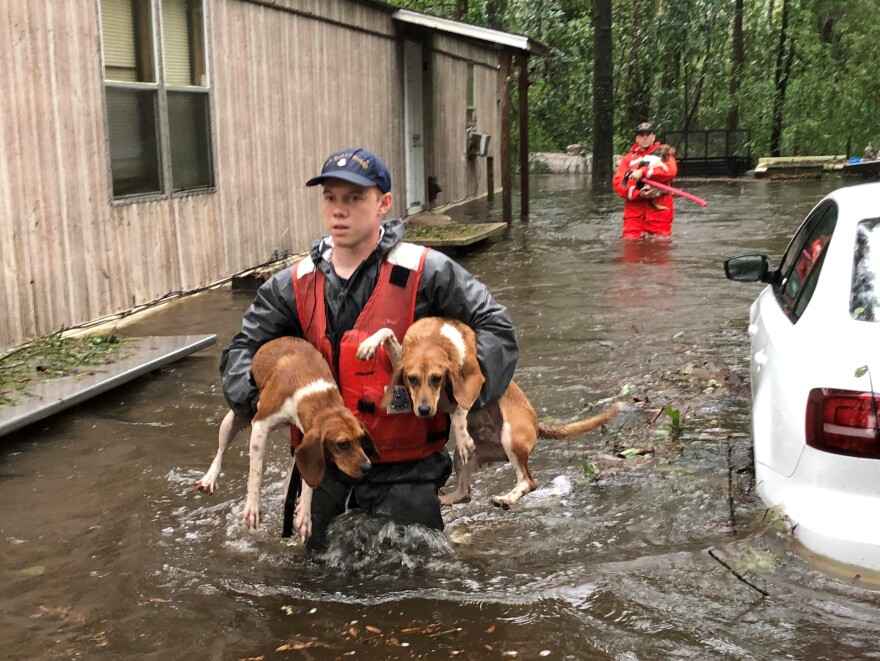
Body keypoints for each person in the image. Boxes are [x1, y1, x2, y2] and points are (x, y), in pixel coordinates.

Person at [219, 148, 518, 552]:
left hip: (407, 472)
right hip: (322, 467)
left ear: (384, 203)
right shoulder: (292, 284)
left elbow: (496, 326)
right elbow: (242, 349)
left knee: (416, 594)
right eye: (330, 198)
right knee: (315, 591)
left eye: (354, 198)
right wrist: (261, 400)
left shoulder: (428, 271)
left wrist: (465, 391)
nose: (339, 211)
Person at [612, 122, 679, 240]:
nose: (645, 137)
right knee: (630, 249)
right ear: (636, 138)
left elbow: (670, 172)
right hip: (634, 215)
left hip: (659, 213)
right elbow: (618, 184)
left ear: (654, 136)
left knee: (660, 250)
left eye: (648, 133)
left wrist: (643, 171)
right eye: (641, 134)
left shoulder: (664, 154)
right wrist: (638, 194)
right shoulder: (628, 159)